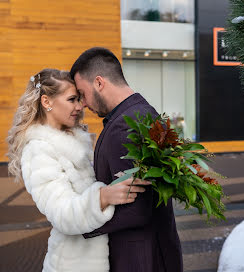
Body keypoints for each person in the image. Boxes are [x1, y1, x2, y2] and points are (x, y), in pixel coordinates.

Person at [6, 68, 150, 272]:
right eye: (72, 99)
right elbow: (62, 214)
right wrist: (103, 197)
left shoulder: (76, 139)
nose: (80, 105)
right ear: (46, 102)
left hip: (96, 256)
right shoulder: (38, 150)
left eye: (80, 98)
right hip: (73, 263)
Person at [70, 47, 183, 272]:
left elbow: (137, 210)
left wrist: (79, 225)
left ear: (99, 83)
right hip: (153, 253)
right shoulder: (141, 112)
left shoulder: (126, 124)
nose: (82, 104)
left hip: (140, 259)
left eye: (82, 94)